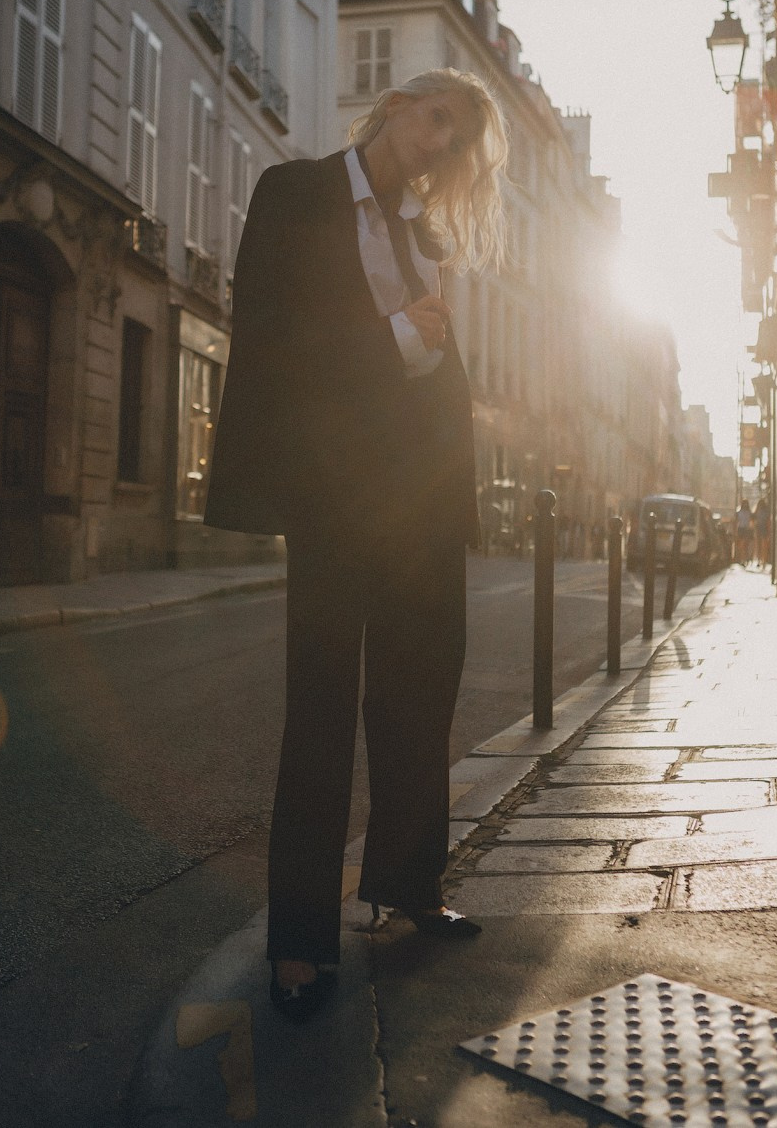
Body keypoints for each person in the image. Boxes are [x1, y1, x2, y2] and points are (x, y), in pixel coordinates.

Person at [204, 70, 507, 1022]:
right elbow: (272, 332)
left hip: (418, 505)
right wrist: (394, 337)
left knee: (421, 696)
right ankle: (300, 942)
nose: (441, 143)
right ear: (393, 107)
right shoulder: (294, 192)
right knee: (322, 708)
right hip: (334, 501)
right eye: (436, 118)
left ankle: (411, 887)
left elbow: (432, 385)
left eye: (459, 141)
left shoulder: (425, 237)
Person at [735, 498, 754, 565]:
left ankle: (745, 558)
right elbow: (737, 521)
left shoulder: (748, 513)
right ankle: (743, 558)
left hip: (746, 529)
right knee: (742, 545)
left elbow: (751, 522)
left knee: (745, 545)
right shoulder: (739, 512)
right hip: (742, 529)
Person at [754, 495, 771, 567]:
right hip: (764, 528)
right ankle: (763, 560)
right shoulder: (766, 511)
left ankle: (759, 560)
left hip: (758, 528)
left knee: (758, 545)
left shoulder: (757, 511)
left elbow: (754, 521)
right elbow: (768, 521)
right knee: (764, 545)